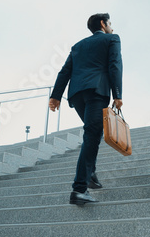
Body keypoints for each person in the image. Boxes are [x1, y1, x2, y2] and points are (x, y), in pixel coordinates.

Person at [49, 13, 123, 205]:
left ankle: (90, 174)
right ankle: (79, 189)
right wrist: (117, 94)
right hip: (96, 92)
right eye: (110, 24)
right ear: (102, 23)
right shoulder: (112, 39)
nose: (112, 28)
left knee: (94, 131)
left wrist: (56, 96)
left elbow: (65, 71)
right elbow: (115, 65)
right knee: (91, 134)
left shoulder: (78, 45)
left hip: (76, 94)